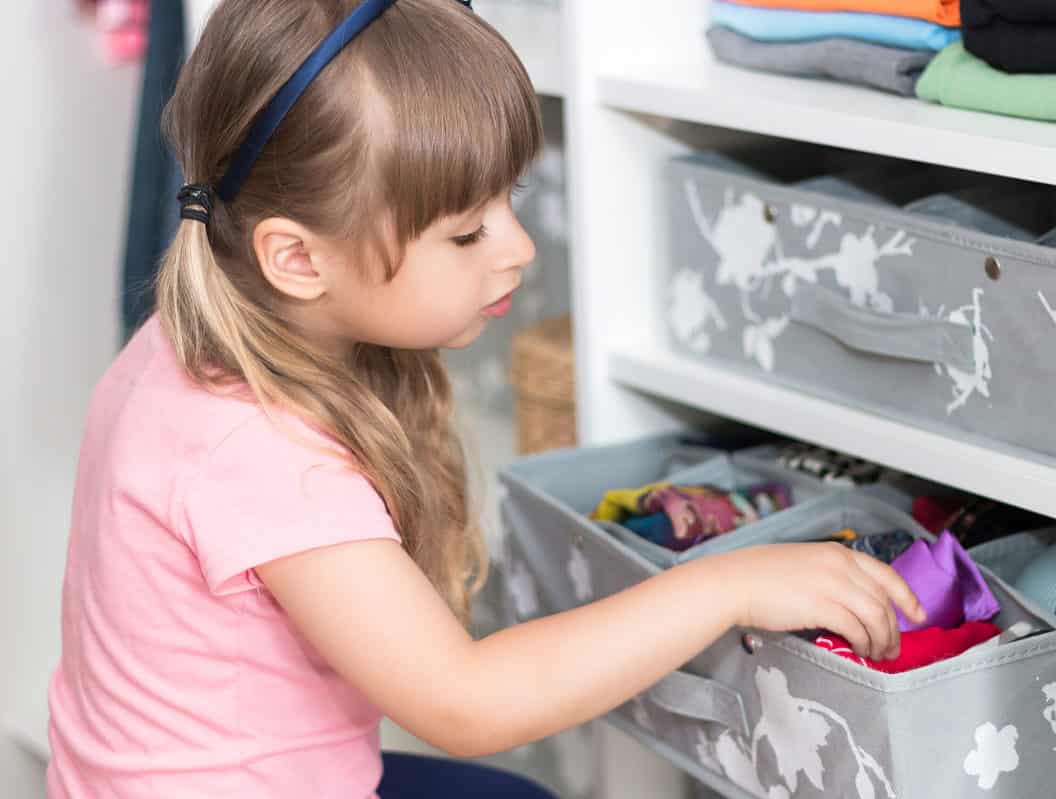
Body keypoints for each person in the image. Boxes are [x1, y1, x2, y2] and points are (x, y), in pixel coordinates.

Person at [46, 0, 925, 796]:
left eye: (513, 199)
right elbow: (468, 703)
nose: (515, 248)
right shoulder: (263, 455)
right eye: (466, 231)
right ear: (298, 258)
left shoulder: (182, 333)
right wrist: (726, 584)